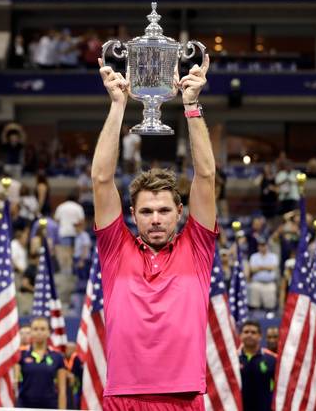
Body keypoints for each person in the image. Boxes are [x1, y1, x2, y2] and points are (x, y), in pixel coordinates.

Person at [92, 55, 215, 410]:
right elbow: (101, 179)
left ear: (180, 211)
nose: (156, 219)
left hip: (184, 395)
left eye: (164, 211)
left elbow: (205, 177)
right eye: (146, 212)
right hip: (123, 396)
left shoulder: (198, 246)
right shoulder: (115, 248)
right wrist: (117, 105)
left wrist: (191, 106)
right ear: (133, 214)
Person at [15, 317, 67, 409]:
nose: (39, 332)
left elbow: (62, 390)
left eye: (43, 329)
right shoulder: (21, 355)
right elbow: (14, 383)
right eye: (35, 329)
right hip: (25, 406)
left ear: (49, 332)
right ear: (31, 332)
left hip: (50, 406)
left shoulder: (57, 357)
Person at [239, 320, 276, 411]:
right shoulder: (233, 359)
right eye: (246, 332)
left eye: (253, 332)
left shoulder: (272, 359)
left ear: (260, 336)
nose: (249, 335)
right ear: (240, 335)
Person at [247, 238, 279, 311]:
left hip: (269, 283)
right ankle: (255, 316)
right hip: (256, 283)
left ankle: (269, 317)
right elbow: (252, 269)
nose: (262, 247)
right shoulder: (254, 256)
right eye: (260, 245)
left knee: (270, 306)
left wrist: (259, 267)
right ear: (258, 247)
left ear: (267, 246)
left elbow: (273, 267)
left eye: (264, 245)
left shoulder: (273, 256)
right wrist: (266, 267)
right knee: (254, 304)